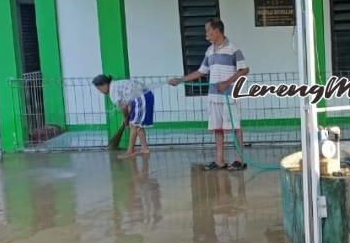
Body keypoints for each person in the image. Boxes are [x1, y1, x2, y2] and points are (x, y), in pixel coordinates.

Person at [170, 19, 249, 170]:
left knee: (235, 128)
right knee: (217, 129)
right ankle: (219, 160)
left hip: (229, 96)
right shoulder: (209, 51)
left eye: (208, 31)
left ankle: (239, 160)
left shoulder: (233, 49)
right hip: (214, 97)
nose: (206, 34)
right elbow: (201, 71)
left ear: (217, 31)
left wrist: (227, 82)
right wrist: (180, 80)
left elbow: (244, 70)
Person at [92, 74, 155, 159]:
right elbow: (128, 104)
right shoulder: (116, 85)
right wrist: (128, 117)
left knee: (134, 125)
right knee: (137, 125)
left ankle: (130, 152)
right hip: (145, 96)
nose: (100, 92)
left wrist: (126, 118)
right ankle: (144, 148)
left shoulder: (112, 91)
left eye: (99, 89)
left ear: (104, 84)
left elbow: (124, 106)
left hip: (142, 97)